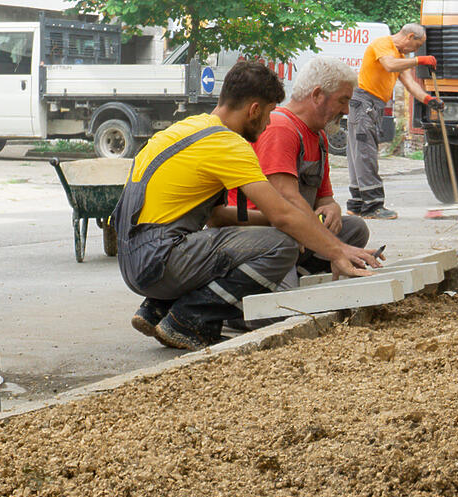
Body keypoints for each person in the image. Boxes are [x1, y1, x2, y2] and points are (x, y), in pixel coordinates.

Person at [113, 61, 381, 351]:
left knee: (280, 236)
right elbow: (283, 213)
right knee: (280, 246)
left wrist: (287, 227)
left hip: (135, 257)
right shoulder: (227, 144)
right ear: (254, 110)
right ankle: (189, 319)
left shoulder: (187, 130)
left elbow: (216, 217)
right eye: (267, 114)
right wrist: (336, 250)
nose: (268, 124)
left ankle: (162, 307)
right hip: (159, 259)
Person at [217, 56, 370, 278]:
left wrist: (333, 208)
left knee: (354, 228)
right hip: (262, 232)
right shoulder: (281, 128)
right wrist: (337, 250)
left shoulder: (319, 137)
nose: (346, 110)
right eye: (342, 100)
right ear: (317, 95)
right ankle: (283, 283)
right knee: (288, 246)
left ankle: (301, 274)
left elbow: (324, 198)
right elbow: (286, 201)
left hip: (292, 227)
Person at [346, 23, 444, 219]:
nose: (416, 51)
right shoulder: (383, 44)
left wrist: (428, 99)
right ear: (409, 37)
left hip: (373, 105)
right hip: (363, 102)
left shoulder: (401, 57)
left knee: (360, 153)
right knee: (364, 153)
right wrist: (419, 60)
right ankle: (372, 206)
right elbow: (389, 65)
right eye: (417, 46)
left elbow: (409, 84)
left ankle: (357, 204)